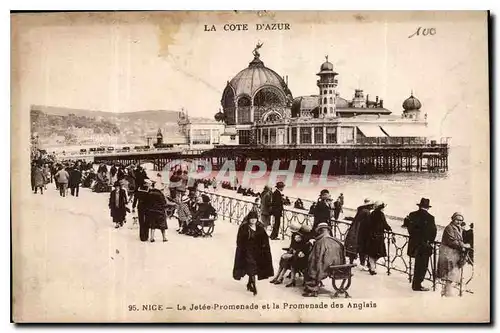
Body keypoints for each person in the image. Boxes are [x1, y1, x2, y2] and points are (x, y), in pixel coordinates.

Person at [233, 211, 274, 296]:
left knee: (255, 266)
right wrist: (242, 249)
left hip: (257, 251)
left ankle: (249, 282)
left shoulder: (260, 227)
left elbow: (265, 239)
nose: (253, 220)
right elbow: (239, 240)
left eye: (254, 219)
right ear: (249, 219)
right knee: (251, 265)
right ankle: (253, 285)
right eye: (251, 219)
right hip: (247, 250)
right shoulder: (244, 228)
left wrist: (264, 247)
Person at [302, 223, 345, 297]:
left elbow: (315, 258)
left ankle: (312, 289)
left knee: (310, 266)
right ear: (328, 230)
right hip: (338, 266)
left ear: (320, 231)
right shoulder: (336, 241)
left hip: (326, 267)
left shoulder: (320, 242)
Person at [404, 198, 437, 291]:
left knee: (416, 265)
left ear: (420, 206)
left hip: (414, 244)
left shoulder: (412, 214)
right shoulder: (430, 217)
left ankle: (415, 284)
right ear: (428, 208)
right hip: (424, 245)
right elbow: (433, 232)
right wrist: (430, 241)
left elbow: (409, 228)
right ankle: (417, 285)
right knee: (422, 266)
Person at [437, 212, 470, 297]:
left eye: (461, 220)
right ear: (453, 219)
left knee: (451, 274)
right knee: (449, 274)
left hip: (453, 254)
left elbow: (458, 240)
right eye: (457, 220)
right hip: (448, 254)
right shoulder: (449, 228)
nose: (459, 222)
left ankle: (445, 292)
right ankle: (447, 293)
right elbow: (451, 241)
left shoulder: (458, 228)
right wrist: (463, 245)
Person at [365, 201, 392, 275]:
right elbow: (384, 224)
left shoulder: (372, 213)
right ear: (381, 208)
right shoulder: (381, 214)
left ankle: (371, 266)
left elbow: (369, 224)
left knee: (371, 253)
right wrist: (389, 229)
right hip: (379, 236)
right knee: (378, 253)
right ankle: (372, 268)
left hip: (372, 236)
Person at [344, 198, 374, 266]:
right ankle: (362, 263)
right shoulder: (367, 212)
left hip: (355, 231)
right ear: (369, 206)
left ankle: (351, 262)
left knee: (354, 247)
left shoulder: (361, 210)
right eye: (371, 205)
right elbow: (368, 223)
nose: (372, 207)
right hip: (362, 232)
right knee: (362, 248)